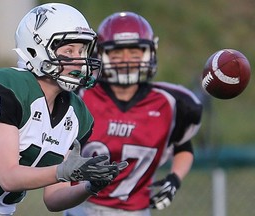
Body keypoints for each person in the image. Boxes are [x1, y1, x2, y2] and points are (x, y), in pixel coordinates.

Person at [0, 3, 128, 216]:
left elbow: (54, 198)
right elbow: (8, 177)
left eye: (81, 51)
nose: (79, 61)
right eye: (69, 50)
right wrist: (65, 171)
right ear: (36, 48)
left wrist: (90, 186)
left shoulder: (77, 115)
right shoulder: (7, 86)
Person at [65, 11, 203, 216]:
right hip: (81, 209)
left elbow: (182, 145)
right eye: (117, 53)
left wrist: (175, 179)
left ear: (150, 53)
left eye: (135, 52)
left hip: (136, 212)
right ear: (100, 55)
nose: (126, 60)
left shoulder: (171, 103)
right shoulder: (77, 96)